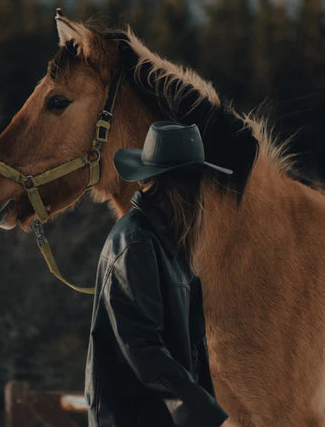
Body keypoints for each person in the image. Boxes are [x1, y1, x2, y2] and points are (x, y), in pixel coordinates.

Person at [85, 121, 232, 427]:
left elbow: (192, 348)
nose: (204, 195)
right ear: (178, 187)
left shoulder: (172, 244)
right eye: (197, 182)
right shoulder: (135, 243)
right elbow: (145, 349)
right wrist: (210, 418)